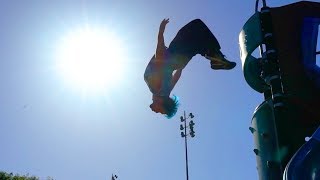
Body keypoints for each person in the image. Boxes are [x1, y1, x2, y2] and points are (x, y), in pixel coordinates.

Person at [144, 18, 236, 118]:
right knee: (195, 26)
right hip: (175, 54)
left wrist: (182, 63)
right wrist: (161, 30)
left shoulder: (165, 91)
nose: (154, 111)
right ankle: (215, 57)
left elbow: (176, 76)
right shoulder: (156, 88)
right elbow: (160, 56)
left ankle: (215, 57)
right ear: (162, 103)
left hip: (179, 61)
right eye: (159, 112)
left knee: (198, 41)